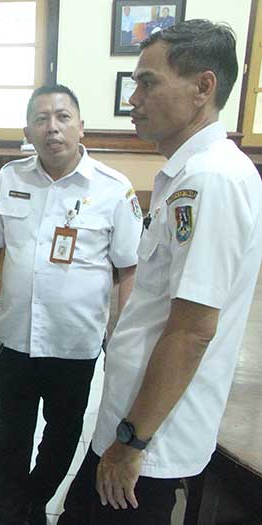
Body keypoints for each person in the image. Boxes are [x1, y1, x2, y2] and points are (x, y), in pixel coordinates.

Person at [59, 20, 262, 525]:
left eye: (148, 83)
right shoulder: (188, 172)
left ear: (203, 87)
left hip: (149, 441)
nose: (134, 99)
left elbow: (193, 330)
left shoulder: (211, 180)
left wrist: (132, 441)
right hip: (132, 417)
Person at [0, 84, 143, 525]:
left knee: (62, 440)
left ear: (81, 127)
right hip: (15, 340)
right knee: (10, 437)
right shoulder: (11, 178)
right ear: (28, 132)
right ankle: (8, 515)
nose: (52, 128)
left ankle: (33, 503)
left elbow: (129, 270)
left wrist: (120, 335)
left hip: (75, 345)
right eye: (41, 119)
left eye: (62, 117)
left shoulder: (113, 189)